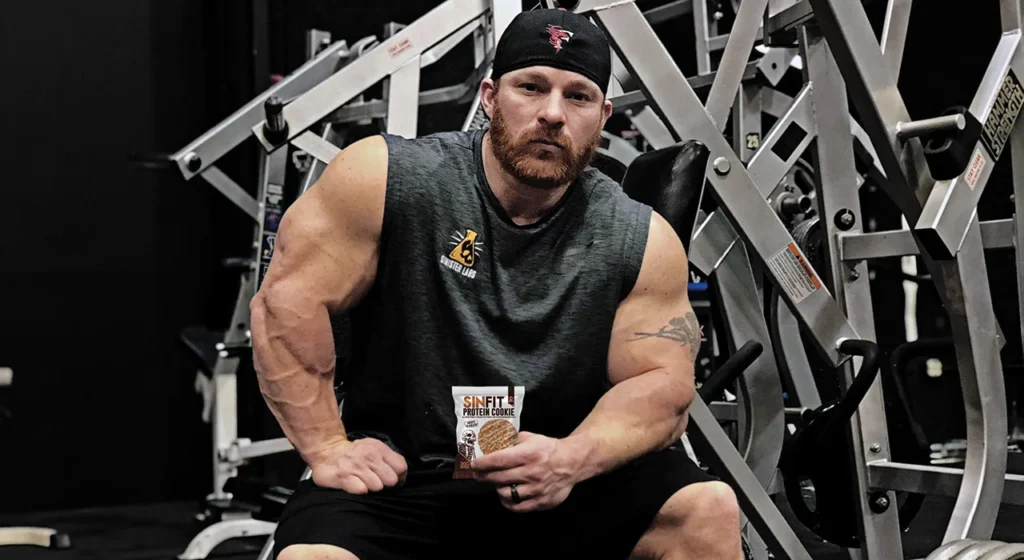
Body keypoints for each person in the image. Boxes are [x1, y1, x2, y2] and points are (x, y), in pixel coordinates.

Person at [250, 8, 743, 560]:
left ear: (602, 116)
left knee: (707, 509)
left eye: (578, 97)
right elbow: (284, 305)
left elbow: (663, 384)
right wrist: (326, 446)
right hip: (405, 476)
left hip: (559, 474)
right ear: (490, 97)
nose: (552, 113)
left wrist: (571, 459)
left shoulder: (640, 237)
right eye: (531, 87)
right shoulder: (386, 178)